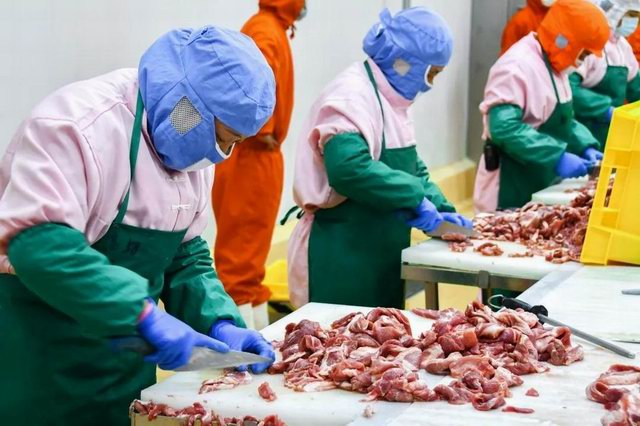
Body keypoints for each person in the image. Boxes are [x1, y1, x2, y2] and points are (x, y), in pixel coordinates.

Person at [0, 26, 276, 425]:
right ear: (188, 107)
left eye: (234, 143)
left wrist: (219, 321)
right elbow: (39, 245)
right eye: (224, 138)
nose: (223, 154)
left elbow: (186, 255)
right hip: (43, 363)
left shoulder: (193, 150)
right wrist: (142, 315)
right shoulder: (80, 125)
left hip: (126, 367)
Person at [287, 7, 471, 310]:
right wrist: (414, 197)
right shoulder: (352, 96)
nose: (430, 84)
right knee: (338, 336)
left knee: (383, 336)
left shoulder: (391, 101)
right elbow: (348, 169)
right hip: (342, 255)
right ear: (406, 64)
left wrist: (441, 208)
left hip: (382, 252)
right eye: (431, 74)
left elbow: (412, 168)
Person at [212, 0, 306, 330]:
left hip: (258, 156)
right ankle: (240, 349)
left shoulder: (272, 29)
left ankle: (262, 340)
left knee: (251, 262)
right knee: (239, 262)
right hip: (251, 158)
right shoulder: (265, 30)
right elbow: (249, 85)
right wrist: (261, 129)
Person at [473, 0, 609, 213]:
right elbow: (504, 128)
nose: (581, 62)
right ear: (565, 41)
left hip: (539, 181)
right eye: (583, 55)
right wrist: (556, 156)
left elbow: (563, 120)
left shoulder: (555, 67)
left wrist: (585, 146)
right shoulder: (516, 66)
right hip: (510, 185)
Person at [570, 0, 640, 147]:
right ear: (614, 12)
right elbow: (568, 88)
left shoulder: (623, 47)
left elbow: (636, 88)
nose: (632, 23)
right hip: (583, 131)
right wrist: (604, 109)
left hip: (612, 132)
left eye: (636, 17)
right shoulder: (588, 42)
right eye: (630, 15)